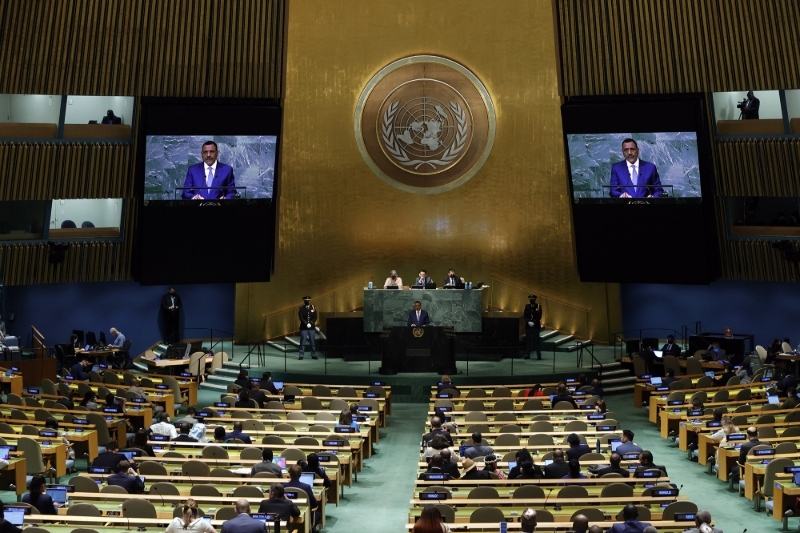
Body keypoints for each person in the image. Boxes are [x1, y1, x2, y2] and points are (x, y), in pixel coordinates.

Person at [298, 296, 318, 360]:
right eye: (305, 300)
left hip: (311, 327)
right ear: (304, 301)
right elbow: (301, 317)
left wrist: (311, 322)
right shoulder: (301, 308)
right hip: (304, 327)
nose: (307, 301)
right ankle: (301, 355)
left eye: (308, 300)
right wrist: (306, 323)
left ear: (309, 301)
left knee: (312, 342)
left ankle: (313, 354)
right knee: (303, 342)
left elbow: (315, 317)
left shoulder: (313, 307)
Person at [523, 294, 543, 360]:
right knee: (528, 340)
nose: (531, 300)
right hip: (528, 326)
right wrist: (528, 321)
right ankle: (527, 354)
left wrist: (534, 322)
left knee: (537, 340)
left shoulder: (538, 306)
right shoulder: (527, 306)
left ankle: (538, 354)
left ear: (535, 300)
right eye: (530, 299)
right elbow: (525, 315)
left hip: (536, 326)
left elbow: (539, 316)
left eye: (533, 299)